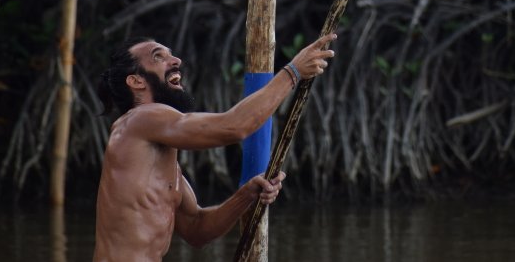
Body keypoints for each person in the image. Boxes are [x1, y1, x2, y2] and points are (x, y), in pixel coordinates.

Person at [92, 32, 337, 262]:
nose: (176, 60)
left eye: (170, 54)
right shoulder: (139, 119)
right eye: (159, 56)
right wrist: (292, 72)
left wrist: (247, 195)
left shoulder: (159, 157)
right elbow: (234, 127)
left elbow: (197, 230)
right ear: (136, 81)